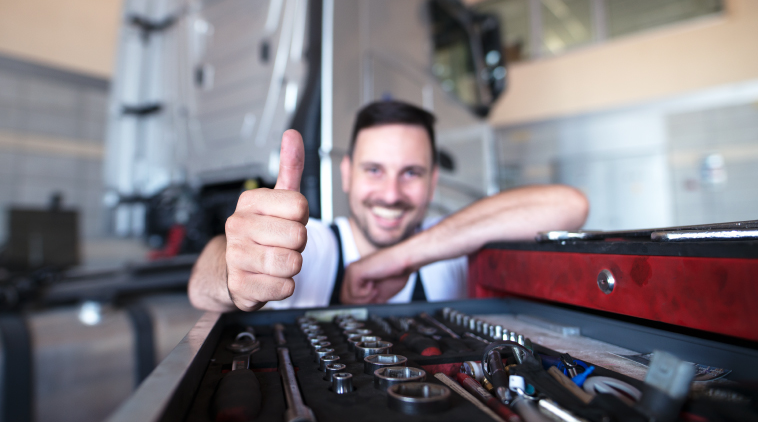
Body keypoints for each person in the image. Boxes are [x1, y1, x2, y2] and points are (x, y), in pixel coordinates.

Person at [188, 101, 589, 312]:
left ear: (433, 182)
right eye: (374, 170)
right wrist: (231, 273)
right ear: (346, 175)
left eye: (411, 173)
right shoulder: (316, 246)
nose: (392, 193)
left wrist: (397, 259)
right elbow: (200, 286)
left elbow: (569, 205)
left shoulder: (446, 243)